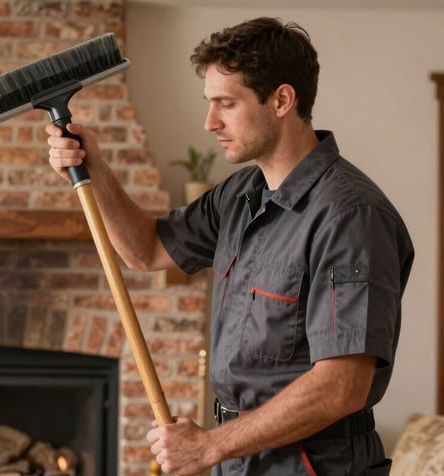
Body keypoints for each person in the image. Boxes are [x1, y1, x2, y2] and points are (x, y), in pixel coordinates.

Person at [46, 17, 414, 476]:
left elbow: (341, 387)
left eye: (226, 104)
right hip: (239, 459)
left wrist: (209, 446)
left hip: (312, 464)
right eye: (209, 103)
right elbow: (146, 249)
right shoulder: (240, 193)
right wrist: (94, 169)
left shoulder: (350, 216)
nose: (209, 122)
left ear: (282, 99)